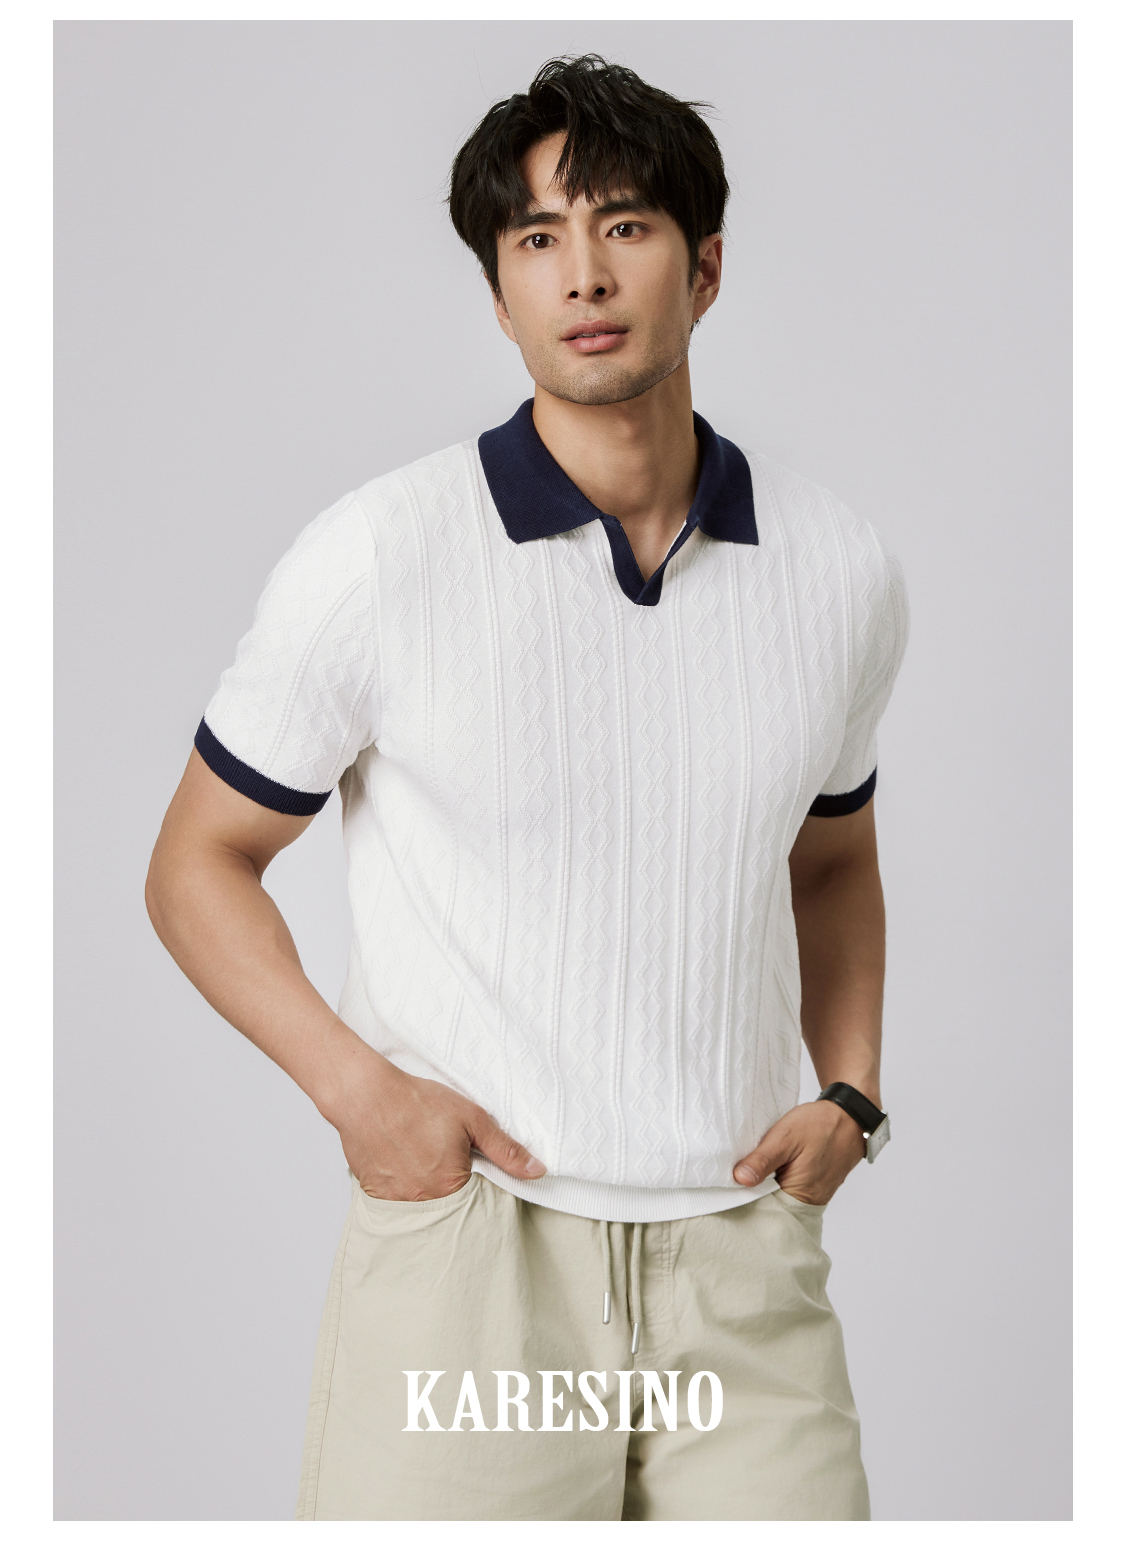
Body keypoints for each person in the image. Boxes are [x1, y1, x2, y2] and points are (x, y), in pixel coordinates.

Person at [146, 54, 909, 1522]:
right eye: (537, 238)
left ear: (705, 267)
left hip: (741, 1258)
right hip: (477, 1259)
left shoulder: (839, 571)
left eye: (623, 226)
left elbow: (831, 859)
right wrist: (359, 1095)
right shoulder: (381, 555)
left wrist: (853, 1092)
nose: (583, 274)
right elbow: (197, 862)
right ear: (499, 296)